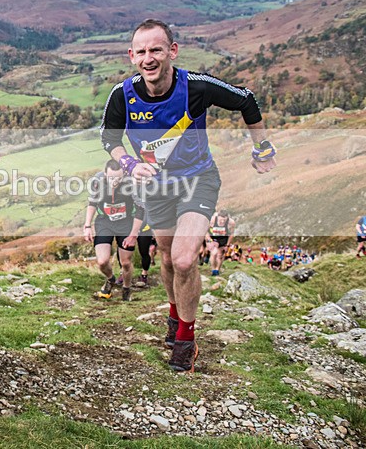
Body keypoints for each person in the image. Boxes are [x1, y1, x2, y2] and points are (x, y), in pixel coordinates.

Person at [99, 18, 276, 373]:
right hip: (156, 188)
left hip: (198, 180)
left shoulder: (195, 87)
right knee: (165, 256)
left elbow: (246, 99)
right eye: (142, 52)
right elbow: (109, 139)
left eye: (157, 50)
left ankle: (186, 338)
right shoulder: (122, 94)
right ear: (132, 56)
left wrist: (263, 148)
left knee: (183, 259)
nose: (149, 58)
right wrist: (130, 164)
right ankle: (175, 312)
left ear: (172, 51)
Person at [84, 159, 144, 302]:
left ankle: (126, 289)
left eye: (118, 178)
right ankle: (111, 279)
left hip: (126, 223)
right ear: (105, 174)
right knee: (102, 261)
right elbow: (92, 203)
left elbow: (141, 209)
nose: (115, 181)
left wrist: (133, 234)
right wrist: (87, 226)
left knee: (125, 263)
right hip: (105, 222)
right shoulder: (97, 181)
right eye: (111, 178)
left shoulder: (131, 183)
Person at [207, 209, 235, 276]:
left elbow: (231, 234)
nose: (222, 222)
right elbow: (206, 231)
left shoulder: (231, 222)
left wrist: (227, 245)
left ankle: (217, 270)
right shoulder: (212, 220)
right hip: (213, 238)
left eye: (224, 220)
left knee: (220, 255)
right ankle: (213, 269)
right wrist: (210, 241)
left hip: (223, 238)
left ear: (227, 218)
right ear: (218, 217)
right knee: (213, 254)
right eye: (220, 220)